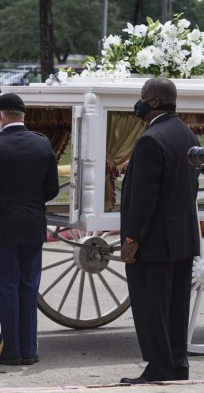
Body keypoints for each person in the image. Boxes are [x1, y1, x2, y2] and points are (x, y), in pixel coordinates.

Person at [119, 78, 200, 384]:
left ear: (153, 102)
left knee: (152, 306)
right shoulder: (184, 132)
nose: (138, 103)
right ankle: (177, 365)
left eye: (142, 97)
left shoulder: (151, 139)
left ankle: (159, 367)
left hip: (154, 241)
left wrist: (132, 239)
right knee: (176, 308)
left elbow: (143, 198)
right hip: (181, 237)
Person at [0, 93, 59, 365]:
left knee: (6, 287)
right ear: (23, 115)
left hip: (3, 227)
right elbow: (52, 189)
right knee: (29, 286)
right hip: (33, 224)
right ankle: (28, 349)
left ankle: (10, 350)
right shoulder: (42, 144)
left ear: (0, 116)